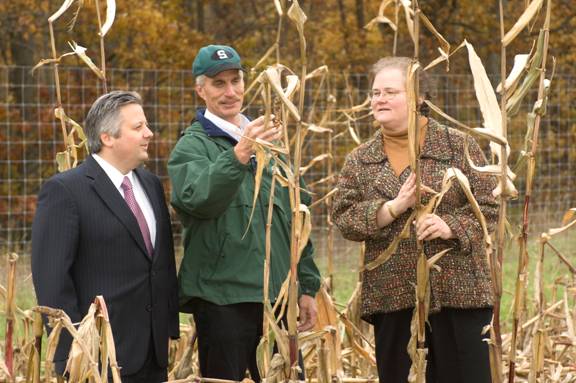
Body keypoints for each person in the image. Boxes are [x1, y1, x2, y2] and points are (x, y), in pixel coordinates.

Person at [332, 57, 499, 383]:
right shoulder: (359, 159)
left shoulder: (457, 145)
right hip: (393, 299)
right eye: (375, 92)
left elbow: (490, 209)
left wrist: (449, 226)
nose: (379, 99)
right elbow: (344, 219)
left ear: (419, 97)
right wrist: (393, 207)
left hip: (458, 295)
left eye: (390, 91)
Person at [168, 44, 321, 382]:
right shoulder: (192, 147)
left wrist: (307, 285)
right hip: (223, 299)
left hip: (279, 299)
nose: (230, 92)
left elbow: (298, 217)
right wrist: (239, 154)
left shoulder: (275, 144)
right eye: (218, 83)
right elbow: (196, 200)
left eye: (236, 81)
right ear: (200, 89)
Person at [32, 91, 179, 383]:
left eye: (146, 125)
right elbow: (52, 280)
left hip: (153, 354)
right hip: (97, 359)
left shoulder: (150, 184)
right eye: (138, 128)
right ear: (107, 137)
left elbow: (161, 264)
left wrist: (168, 330)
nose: (149, 133)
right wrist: (73, 353)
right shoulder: (66, 191)